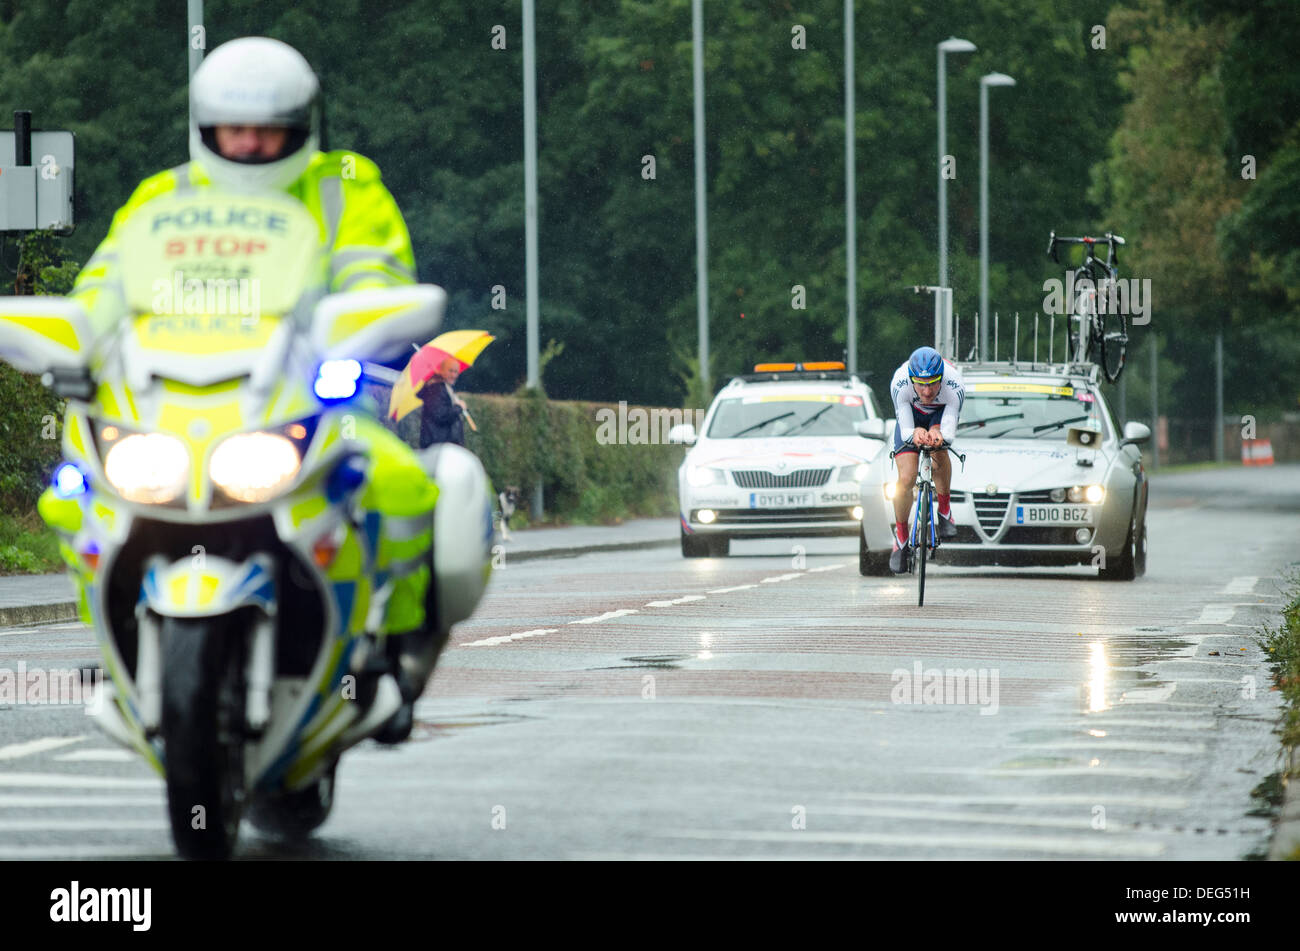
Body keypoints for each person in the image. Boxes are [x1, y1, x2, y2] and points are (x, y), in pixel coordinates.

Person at [69, 36, 434, 743]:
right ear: (205, 128)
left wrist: (368, 319)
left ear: (301, 128)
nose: (249, 144)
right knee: (73, 495)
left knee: (405, 485)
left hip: (311, 402)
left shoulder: (346, 188)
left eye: (268, 130)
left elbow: (378, 274)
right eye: (233, 128)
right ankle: (115, 653)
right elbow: (102, 288)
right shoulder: (164, 197)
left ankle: (391, 653)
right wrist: (74, 339)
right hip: (174, 409)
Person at [888, 346, 965, 573]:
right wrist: (914, 433)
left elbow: (949, 432)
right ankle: (901, 535)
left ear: (942, 377)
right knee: (906, 478)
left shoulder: (955, 384)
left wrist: (939, 435)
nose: (927, 391)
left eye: (932, 383)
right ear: (912, 379)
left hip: (939, 416)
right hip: (912, 416)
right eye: (921, 384)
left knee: (939, 450)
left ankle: (945, 510)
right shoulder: (900, 383)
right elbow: (905, 430)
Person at [417, 356, 467, 448]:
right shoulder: (436, 389)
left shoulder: (444, 388)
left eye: (456, 372)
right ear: (441, 371)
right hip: (438, 445)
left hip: (442, 445)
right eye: (450, 371)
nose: (454, 375)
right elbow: (441, 416)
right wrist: (459, 407)